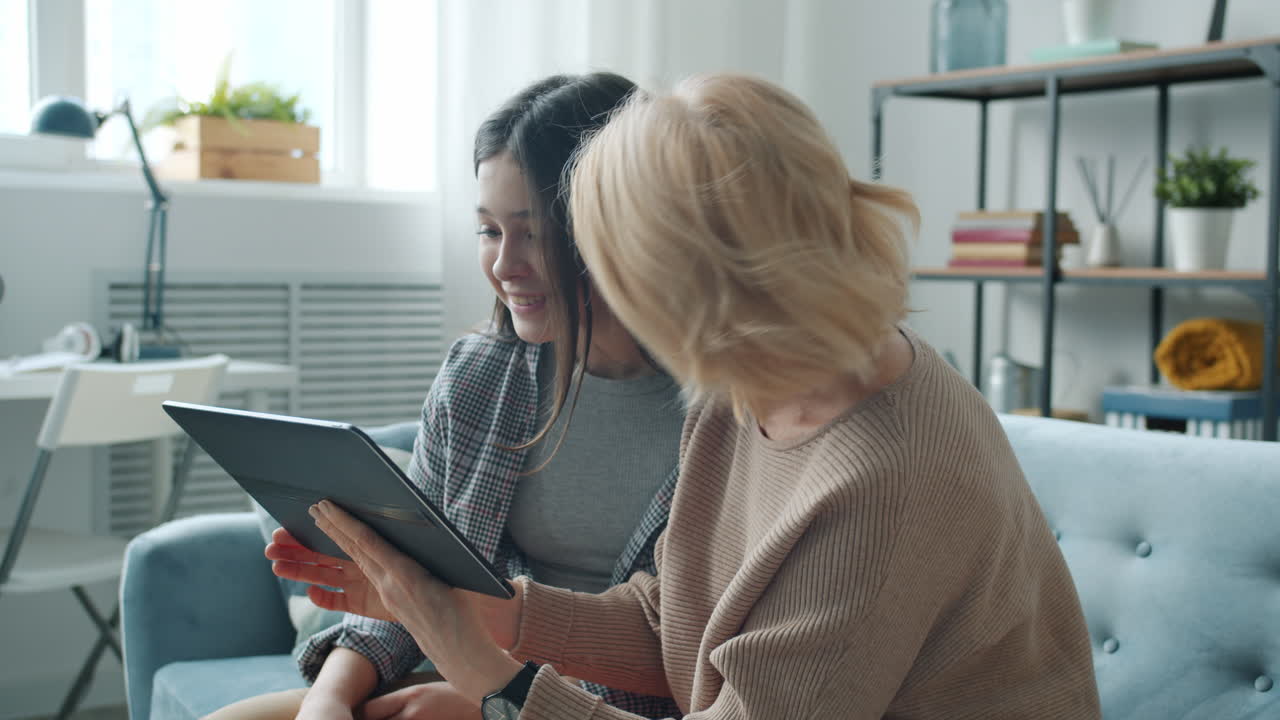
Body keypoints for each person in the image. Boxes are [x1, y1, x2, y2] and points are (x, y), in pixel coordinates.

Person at [272, 73, 1103, 719]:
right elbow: (669, 620)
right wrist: (478, 612)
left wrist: (491, 677)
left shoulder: (884, 477)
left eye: (610, 263)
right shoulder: (749, 387)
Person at [211, 72, 685, 720]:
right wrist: (326, 701)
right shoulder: (480, 379)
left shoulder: (726, 418)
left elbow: (682, 650)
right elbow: (413, 588)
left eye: (533, 231)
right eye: (489, 230)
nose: (504, 264)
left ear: (616, 224)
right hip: (464, 673)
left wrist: (484, 694)